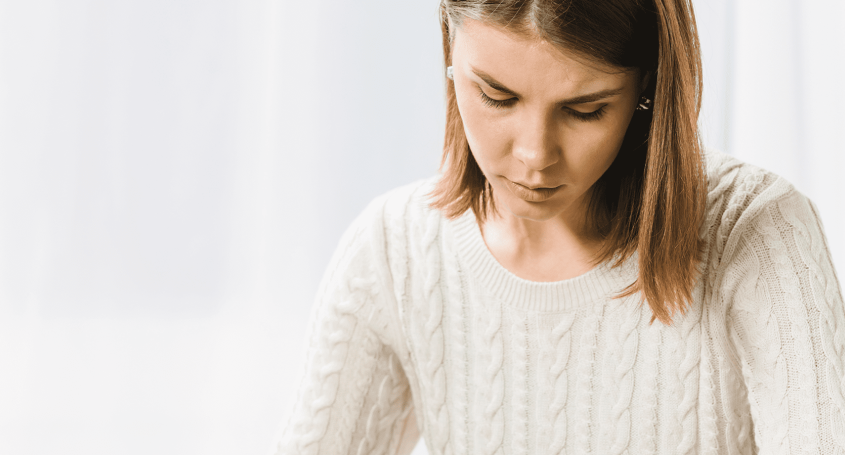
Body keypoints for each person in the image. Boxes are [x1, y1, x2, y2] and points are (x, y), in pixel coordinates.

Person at [271, 0, 845, 453]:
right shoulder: (395, 252)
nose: (535, 155)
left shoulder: (759, 232)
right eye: (497, 96)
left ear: (646, 88)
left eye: (585, 110)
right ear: (450, 48)